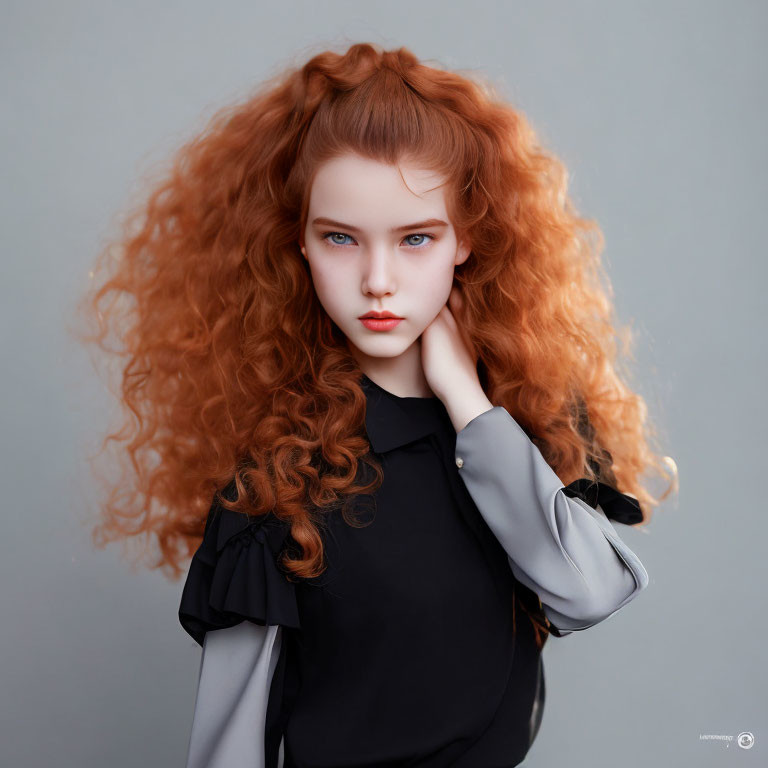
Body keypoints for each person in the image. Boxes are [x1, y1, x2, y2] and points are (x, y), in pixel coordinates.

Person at [81, 42, 676, 768]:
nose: (378, 281)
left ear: (466, 241)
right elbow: (229, 743)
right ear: (297, 243)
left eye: (416, 238)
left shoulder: (524, 419)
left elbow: (588, 593)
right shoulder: (278, 481)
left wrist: (468, 402)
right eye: (340, 238)